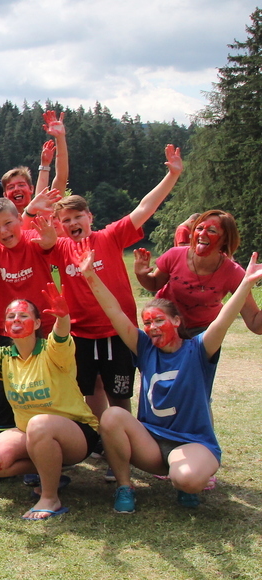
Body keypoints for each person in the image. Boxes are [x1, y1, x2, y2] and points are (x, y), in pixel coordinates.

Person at [77, 245, 262, 511]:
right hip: (150, 444)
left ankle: (186, 483)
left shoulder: (199, 348)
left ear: (176, 321)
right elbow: (114, 311)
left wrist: (245, 284)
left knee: (186, 479)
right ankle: (124, 487)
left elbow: (224, 319)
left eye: (158, 320)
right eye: (147, 323)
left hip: (191, 443)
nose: (151, 328)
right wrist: (90, 275)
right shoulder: (144, 348)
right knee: (111, 416)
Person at [0, 286, 99, 520]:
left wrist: (63, 317)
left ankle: (50, 498)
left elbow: (61, 335)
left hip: (77, 433)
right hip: (33, 434)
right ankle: (52, 470)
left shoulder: (53, 351)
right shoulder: (4, 357)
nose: (16, 319)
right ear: (5, 326)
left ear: (37, 323)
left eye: (23, 315)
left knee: (39, 424)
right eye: (11, 316)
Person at [51, 145, 183, 417]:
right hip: (81, 333)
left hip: (118, 330)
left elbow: (144, 207)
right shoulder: (60, 248)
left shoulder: (109, 237)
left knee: (119, 393)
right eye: (67, 220)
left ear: (90, 217)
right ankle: (101, 434)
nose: (73, 223)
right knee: (91, 389)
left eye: (78, 217)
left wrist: (172, 175)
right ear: (60, 226)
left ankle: (124, 432)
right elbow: (30, 237)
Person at [135, 209, 262, 335]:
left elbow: (255, 324)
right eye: (199, 228)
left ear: (225, 239)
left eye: (212, 230)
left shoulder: (233, 272)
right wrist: (141, 274)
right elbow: (154, 284)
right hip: (164, 328)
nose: (202, 234)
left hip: (202, 334)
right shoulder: (175, 255)